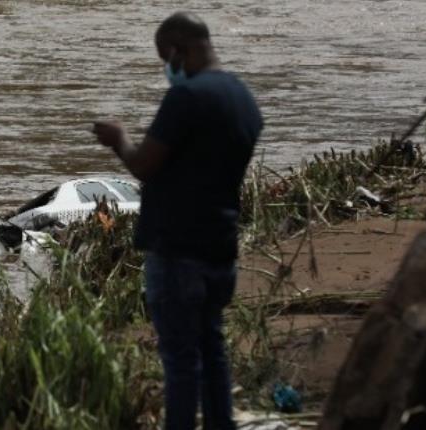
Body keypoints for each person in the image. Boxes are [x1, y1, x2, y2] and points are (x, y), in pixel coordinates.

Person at [92, 11, 263, 430]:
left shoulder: (186, 99)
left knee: (181, 362)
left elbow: (145, 165)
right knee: (212, 349)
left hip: (177, 250)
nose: (166, 68)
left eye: (163, 58)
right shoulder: (241, 96)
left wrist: (119, 139)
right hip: (220, 247)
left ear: (175, 50)